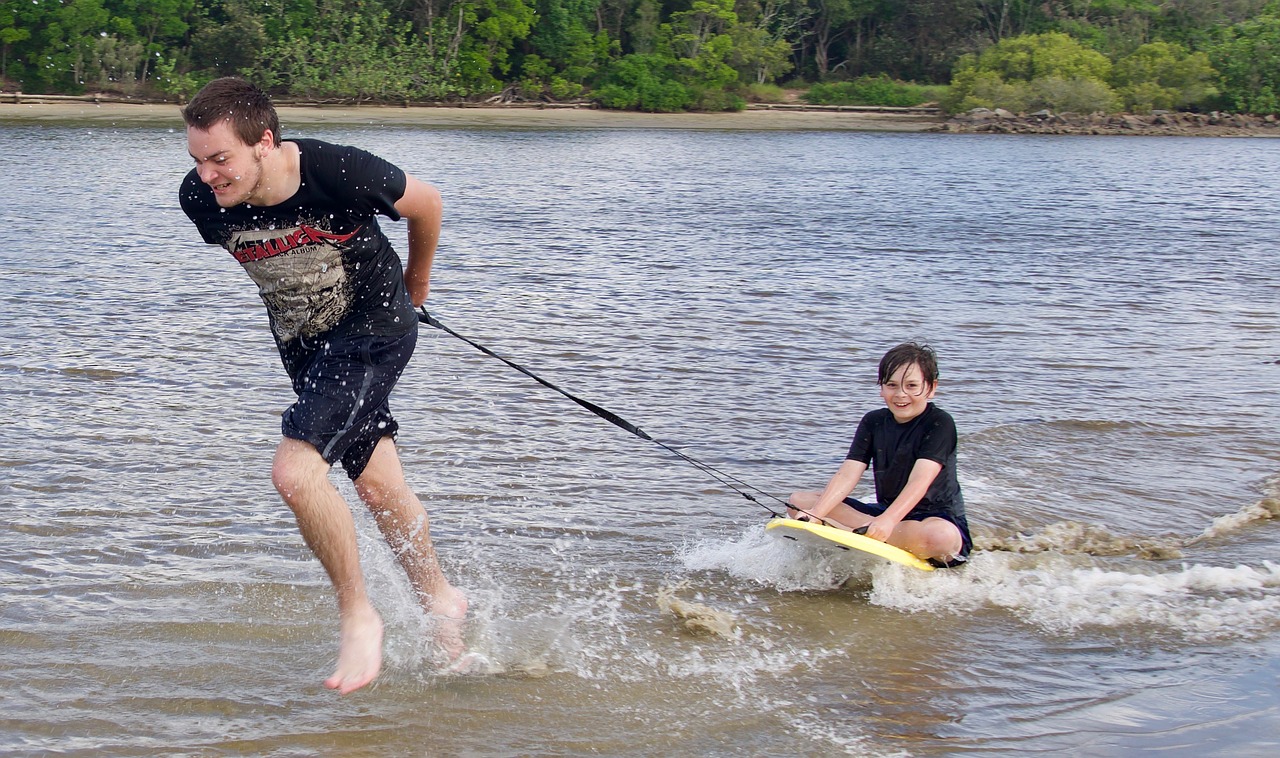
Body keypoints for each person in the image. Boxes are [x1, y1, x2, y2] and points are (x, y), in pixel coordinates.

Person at [178, 77, 467, 694]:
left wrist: (417, 286)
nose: (207, 175)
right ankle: (442, 602)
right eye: (197, 160)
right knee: (381, 490)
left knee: (295, 474)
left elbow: (428, 203)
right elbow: (279, 267)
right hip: (304, 346)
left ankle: (359, 615)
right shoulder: (202, 201)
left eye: (220, 158)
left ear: (264, 142)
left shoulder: (340, 172)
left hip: (373, 331)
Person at [787, 342, 971, 567]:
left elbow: (920, 481)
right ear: (881, 388)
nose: (901, 394)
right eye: (891, 385)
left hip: (933, 519)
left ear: (931, 388)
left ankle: (855, 530)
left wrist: (888, 521)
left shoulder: (939, 423)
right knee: (798, 502)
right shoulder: (873, 421)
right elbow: (848, 474)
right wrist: (817, 513)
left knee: (940, 537)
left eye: (912, 386)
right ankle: (864, 529)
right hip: (884, 516)